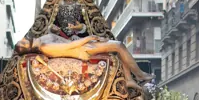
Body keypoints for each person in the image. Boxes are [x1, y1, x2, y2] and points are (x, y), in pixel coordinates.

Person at [14, 34, 154, 89]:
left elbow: (65, 40)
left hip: (81, 44)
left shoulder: (41, 39)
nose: (24, 38)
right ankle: (140, 75)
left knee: (117, 51)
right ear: (27, 47)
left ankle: (129, 78)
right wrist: (90, 37)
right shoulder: (45, 47)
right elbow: (70, 46)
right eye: (23, 42)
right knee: (118, 46)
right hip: (83, 50)